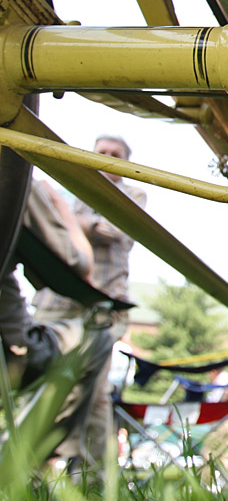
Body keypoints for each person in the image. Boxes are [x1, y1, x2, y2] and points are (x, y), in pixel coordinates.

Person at [32, 134, 146, 471]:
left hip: (101, 306)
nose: (107, 158)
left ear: (124, 164)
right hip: (57, 300)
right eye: (101, 153)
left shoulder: (132, 194)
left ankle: (92, 475)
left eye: (115, 155)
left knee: (92, 392)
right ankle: (35, 467)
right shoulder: (68, 186)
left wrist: (66, 216)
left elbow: (116, 230)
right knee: (42, 379)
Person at [1, 180, 113, 466]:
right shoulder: (12, 158)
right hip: (12, 351)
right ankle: (29, 463)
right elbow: (77, 264)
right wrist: (60, 206)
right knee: (98, 337)